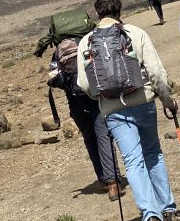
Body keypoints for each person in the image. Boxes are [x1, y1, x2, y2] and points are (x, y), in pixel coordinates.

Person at [76, 0, 180, 221]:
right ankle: (168, 211)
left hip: (113, 110)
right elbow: (156, 73)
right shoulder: (135, 33)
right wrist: (167, 100)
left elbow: (84, 84)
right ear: (119, 11)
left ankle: (151, 217)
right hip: (143, 102)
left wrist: (103, 97)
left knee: (133, 162)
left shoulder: (86, 42)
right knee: (153, 154)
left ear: (97, 13)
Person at [47, 45, 124, 200]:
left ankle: (103, 179)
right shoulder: (88, 42)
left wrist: (69, 83)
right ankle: (113, 183)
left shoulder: (58, 53)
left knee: (89, 138)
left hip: (75, 101)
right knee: (103, 136)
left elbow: (54, 79)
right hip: (96, 97)